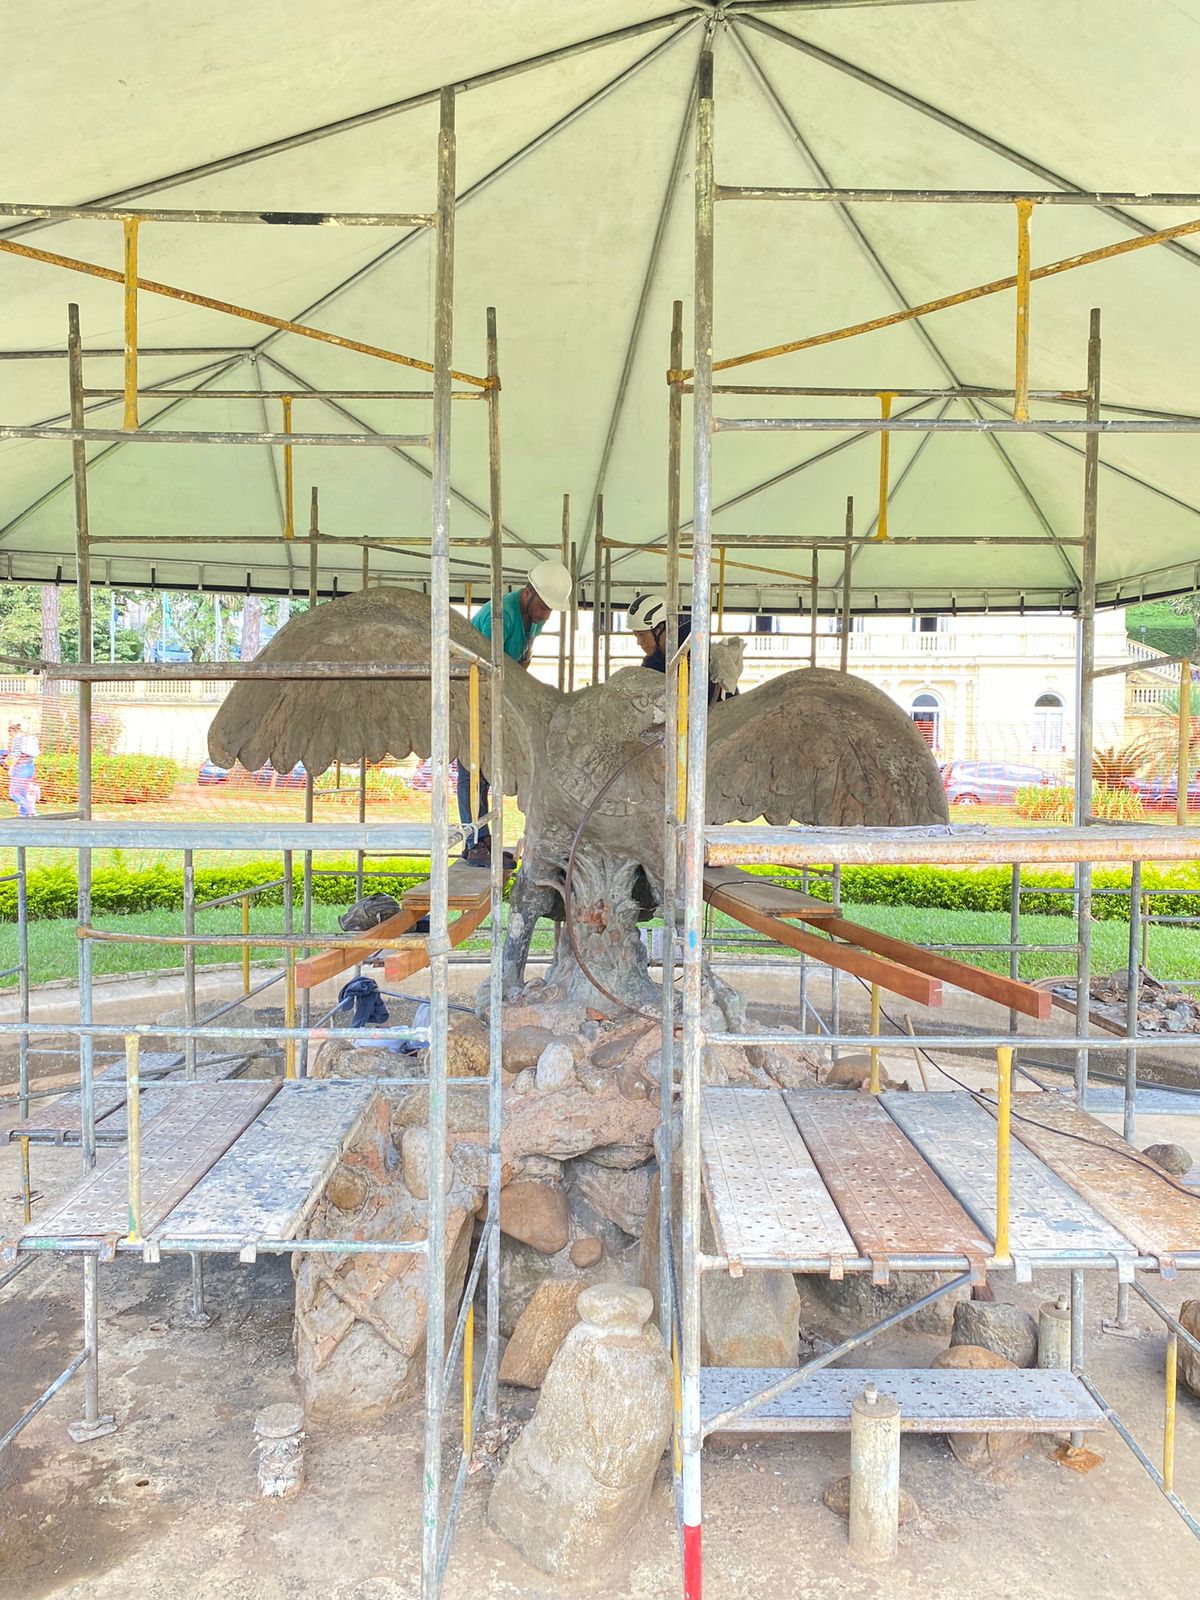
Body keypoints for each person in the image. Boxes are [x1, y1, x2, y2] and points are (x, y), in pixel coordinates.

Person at [457, 560, 574, 863]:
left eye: (550, 609)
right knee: (472, 768)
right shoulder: (501, 617)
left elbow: (520, 661)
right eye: (544, 607)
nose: (546, 615)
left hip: (500, 697)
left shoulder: (534, 616)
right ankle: (474, 842)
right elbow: (483, 670)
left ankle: (486, 839)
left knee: (490, 769)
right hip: (471, 694)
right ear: (528, 592)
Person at [626, 593, 730, 706]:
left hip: (719, 713)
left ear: (659, 629)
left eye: (642, 635)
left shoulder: (692, 644)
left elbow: (692, 690)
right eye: (636, 636)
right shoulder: (652, 662)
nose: (639, 642)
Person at [5, 722, 39, 818]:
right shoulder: (26, 738)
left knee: (14, 793)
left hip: (21, 768)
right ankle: (24, 815)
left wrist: (11, 768)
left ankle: (30, 812)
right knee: (22, 793)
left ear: (12, 731)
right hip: (29, 767)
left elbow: (17, 755)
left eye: (10, 732)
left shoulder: (17, 739)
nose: (10, 735)